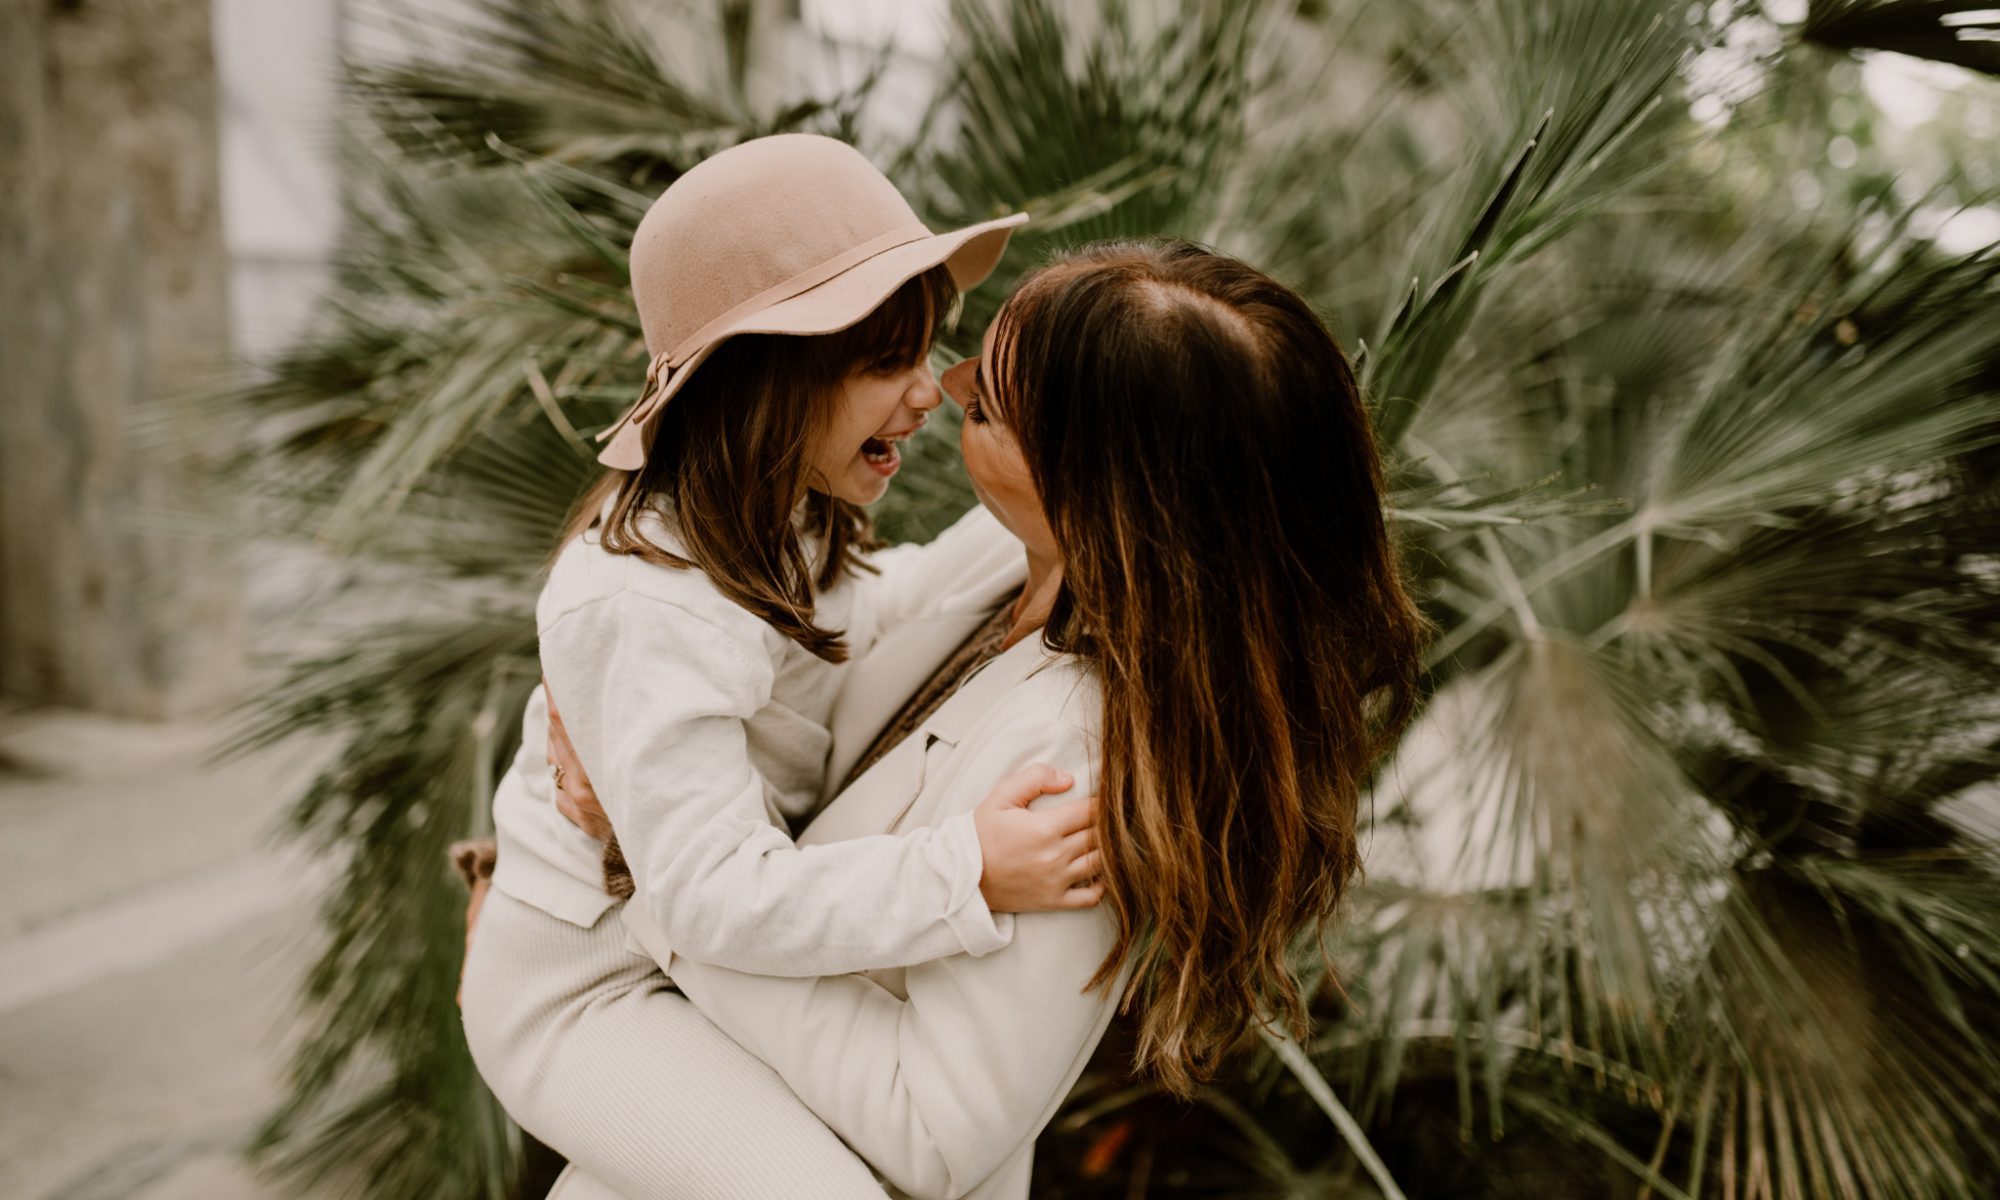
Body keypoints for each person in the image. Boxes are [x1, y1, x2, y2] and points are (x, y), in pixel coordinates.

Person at [506, 239, 1429, 1199]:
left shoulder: (1083, 768)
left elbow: (933, 1130)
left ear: (1099, 486)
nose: (944, 388)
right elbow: (800, 633)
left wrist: (641, 872)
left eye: (986, 405)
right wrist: (594, 764)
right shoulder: (1020, 563)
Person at [458, 135, 1110, 1200]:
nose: (928, 394)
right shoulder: (643, 601)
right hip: (586, 991)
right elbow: (713, 898)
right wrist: (967, 871)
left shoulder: (774, 523)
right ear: (763, 384)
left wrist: (1106, 492)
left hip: (679, 966)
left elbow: (883, 610)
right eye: (885, 364)